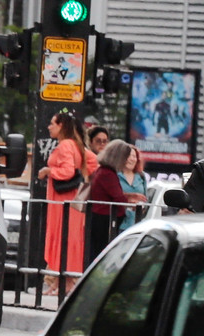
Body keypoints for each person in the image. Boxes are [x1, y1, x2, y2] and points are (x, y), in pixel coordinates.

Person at [37, 110, 94, 289]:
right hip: (73, 200)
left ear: (61, 126)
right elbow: (93, 162)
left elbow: (67, 171)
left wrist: (48, 171)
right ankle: (65, 282)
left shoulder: (65, 145)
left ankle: (64, 282)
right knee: (70, 238)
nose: (49, 127)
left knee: (62, 237)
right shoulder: (75, 144)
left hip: (63, 202)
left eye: (52, 123)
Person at [84, 139, 141, 259]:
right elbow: (117, 196)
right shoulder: (108, 174)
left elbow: (113, 193)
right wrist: (131, 203)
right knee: (102, 254)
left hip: (100, 217)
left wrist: (129, 197)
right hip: (105, 219)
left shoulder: (103, 171)